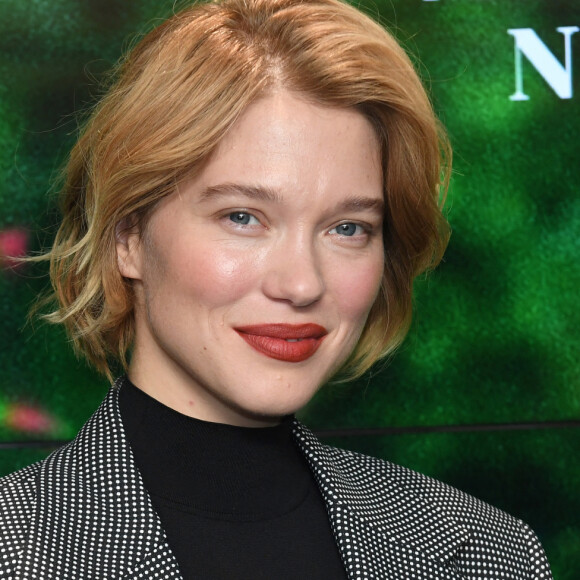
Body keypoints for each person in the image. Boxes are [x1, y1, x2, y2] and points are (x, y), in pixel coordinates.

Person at [0, 0, 552, 578]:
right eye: (243, 217)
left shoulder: (486, 552)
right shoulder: (17, 544)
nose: (302, 284)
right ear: (127, 237)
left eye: (348, 228)